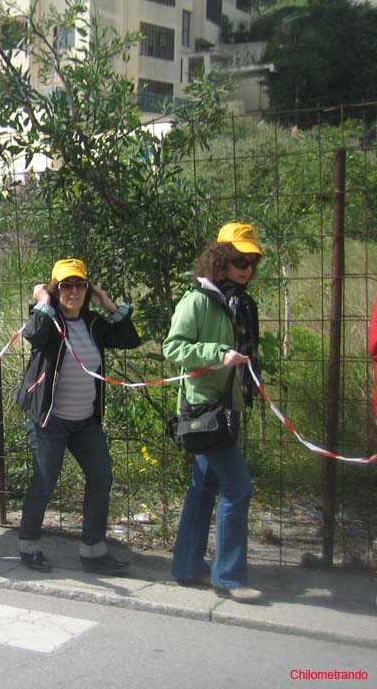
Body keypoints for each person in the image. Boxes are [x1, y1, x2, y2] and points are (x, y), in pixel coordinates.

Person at [13, 258, 140, 574]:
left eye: (80, 285)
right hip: (49, 421)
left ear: (88, 288)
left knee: (102, 477)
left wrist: (109, 304)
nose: (73, 291)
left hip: (85, 421)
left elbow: (129, 339)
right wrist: (42, 301)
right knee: (44, 482)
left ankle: (93, 552)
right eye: (65, 285)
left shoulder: (95, 324)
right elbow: (33, 335)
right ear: (55, 290)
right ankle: (28, 547)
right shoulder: (49, 321)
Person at [163, 222, 264, 603]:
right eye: (240, 260)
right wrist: (218, 355)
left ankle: (187, 567)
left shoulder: (235, 301)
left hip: (224, 407)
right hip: (204, 410)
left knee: (203, 487)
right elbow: (174, 348)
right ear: (220, 259)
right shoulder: (198, 300)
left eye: (252, 261)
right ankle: (230, 577)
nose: (247, 268)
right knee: (238, 487)